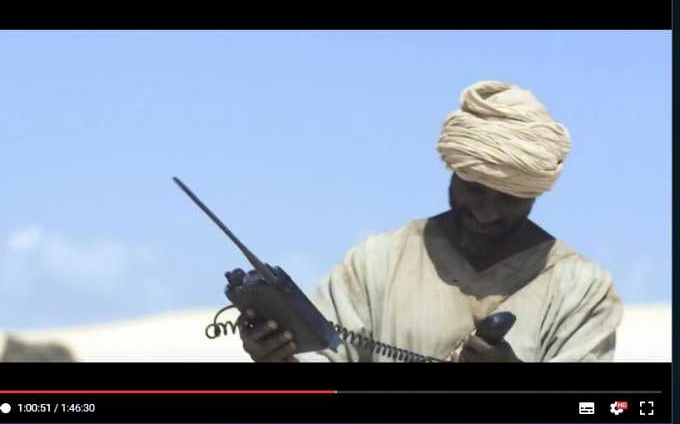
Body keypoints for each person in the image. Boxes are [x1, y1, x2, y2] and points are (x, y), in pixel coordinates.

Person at [235, 80, 623, 363]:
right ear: (453, 171)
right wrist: (280, 356)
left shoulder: (579, 288)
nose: (486, 212)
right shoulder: (380, 262)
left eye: (508, 198)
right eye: (474, 189)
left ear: (534, 193)